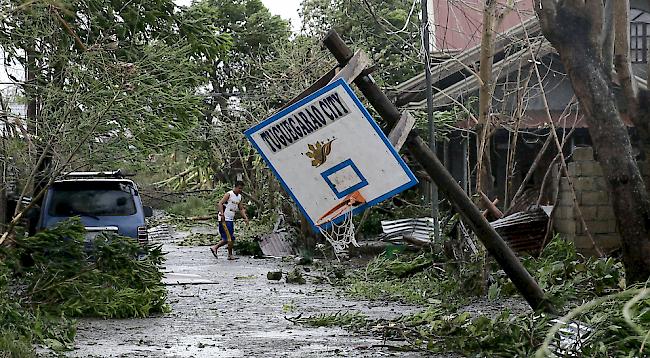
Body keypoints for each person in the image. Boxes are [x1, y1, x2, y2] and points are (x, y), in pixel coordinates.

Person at [210, 181, 249, 260]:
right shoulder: (229, 194)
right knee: (229, 238)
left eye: (242, 189)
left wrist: (245, 218)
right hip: (224, 218)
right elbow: (220, 203)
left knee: (230, 238)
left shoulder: (239, 197)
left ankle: (216, 248)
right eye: (239, 188)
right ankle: (229, 254)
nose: (240, 190)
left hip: (230, 219)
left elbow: (241, 208)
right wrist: (222, 214)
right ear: (235, 187)